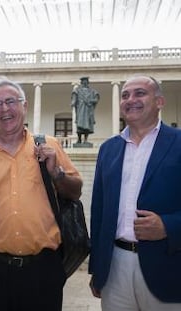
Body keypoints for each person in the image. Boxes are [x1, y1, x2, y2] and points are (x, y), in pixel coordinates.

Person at [0, 78, 83, 310]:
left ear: (25, 105)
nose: (4, 109)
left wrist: (57, 173)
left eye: (11, 101)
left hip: (43, 269)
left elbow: (75, 191)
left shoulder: (49, 146)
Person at [89, 75, 181, 310]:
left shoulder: (178, 143)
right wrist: (97, 269)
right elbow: (98, 212)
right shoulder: (108, 149)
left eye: (140, 93)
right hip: (115, 267)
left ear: (159, 101)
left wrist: (168, 226)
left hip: (169, 267)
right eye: (125, 95)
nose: (131, 100)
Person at [71, 77, 100, 144]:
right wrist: (73, 102)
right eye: (83, 81)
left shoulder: (92, 91)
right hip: (80, 109)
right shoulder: (77, 90)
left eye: (86, 81)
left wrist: (91, 101)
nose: (85, 83)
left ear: (88, 82)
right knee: (79, 124)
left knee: (87, 125)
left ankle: (86, 140)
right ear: (81, 83)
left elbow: (96, 99)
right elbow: (74, 98)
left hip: (88, 110)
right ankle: (79, 139)